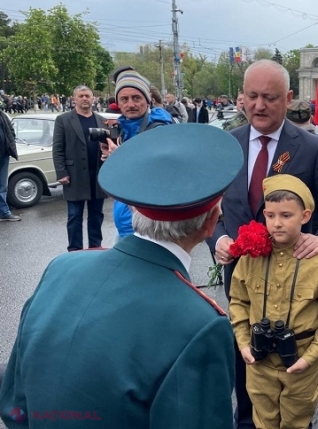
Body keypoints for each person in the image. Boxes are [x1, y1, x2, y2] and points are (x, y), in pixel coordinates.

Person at [0, 124, 241, 428]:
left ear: (134, 209)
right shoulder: (201, 325)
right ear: (211, 223)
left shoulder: (60, 268)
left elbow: (14, 404)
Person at [206, 59, 318, 429]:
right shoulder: (226, 145)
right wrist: (218, 237)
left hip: (296, 290)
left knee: (295, 375)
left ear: (288, 98)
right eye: (251, 96)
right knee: (246, 363)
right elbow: (209, 209)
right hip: (242, 279)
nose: (258, 105)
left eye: (269, 98)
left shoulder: (313, 148)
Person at [229, 174, 318, 429]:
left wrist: (310, 357)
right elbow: (238, 303)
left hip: (301, 363)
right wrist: (243, 343)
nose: (276, 224)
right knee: (263, 421)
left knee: (296, 422)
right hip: (259, 363)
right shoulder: (251, 259)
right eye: (270, 216)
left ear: (305, 216)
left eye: (286, 215)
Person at [102, 67, 174, 240]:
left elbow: (158, 178)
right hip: (126, 224)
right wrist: (109, 161)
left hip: (152, 228)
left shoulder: (159, 129)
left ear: (147, 100)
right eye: (124, 99)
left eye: (136, 98)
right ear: (117, 103)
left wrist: (120, 158)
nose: (131, 104)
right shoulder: (122, 129)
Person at [52, 86, 107, 251]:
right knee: (74, 215)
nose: (85, 98)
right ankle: (75, 249)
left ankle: (95, 246)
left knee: (96, 215)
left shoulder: (101, 120)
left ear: (93, 99)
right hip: (74, 175)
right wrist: (62, 172)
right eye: (81, 96)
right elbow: (58, 148)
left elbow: (107, 146)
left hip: (97, 174)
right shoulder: (63, 120)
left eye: (87, 96)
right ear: (74, 99)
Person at [0, 110, 20, 222]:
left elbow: (10, 130)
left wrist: (10, 144)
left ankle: (4, 212)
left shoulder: (2, 115)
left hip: (3, 155)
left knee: (2, 186)